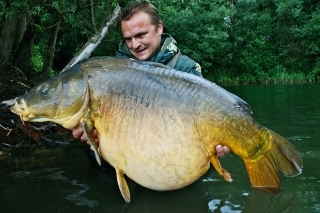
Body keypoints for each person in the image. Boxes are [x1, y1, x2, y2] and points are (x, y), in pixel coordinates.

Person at [72, 1, 230, 167]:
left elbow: (203, 124)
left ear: (159, 28)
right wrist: (94, 140)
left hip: (173, 162)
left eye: (141, 35)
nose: (134, 44)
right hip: (125, 163)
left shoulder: (187, 69)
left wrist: (218, 142)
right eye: (128, 39)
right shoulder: (111, 74)